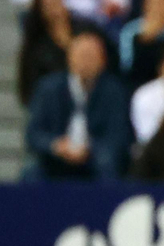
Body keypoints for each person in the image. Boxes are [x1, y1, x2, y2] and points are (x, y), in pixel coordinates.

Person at [24, 29, 131, 181]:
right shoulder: (48, 89)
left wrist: (89, 149)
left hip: (95, 158)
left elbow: (118, 135)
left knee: (108, 167)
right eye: (82, 55)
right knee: (32, 174)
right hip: (56, 159)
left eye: (91, 56)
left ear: (103, 60)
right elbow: (33, 134)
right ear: (69, 58)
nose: (86, 62)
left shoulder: (114, 91)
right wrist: (57, 145)